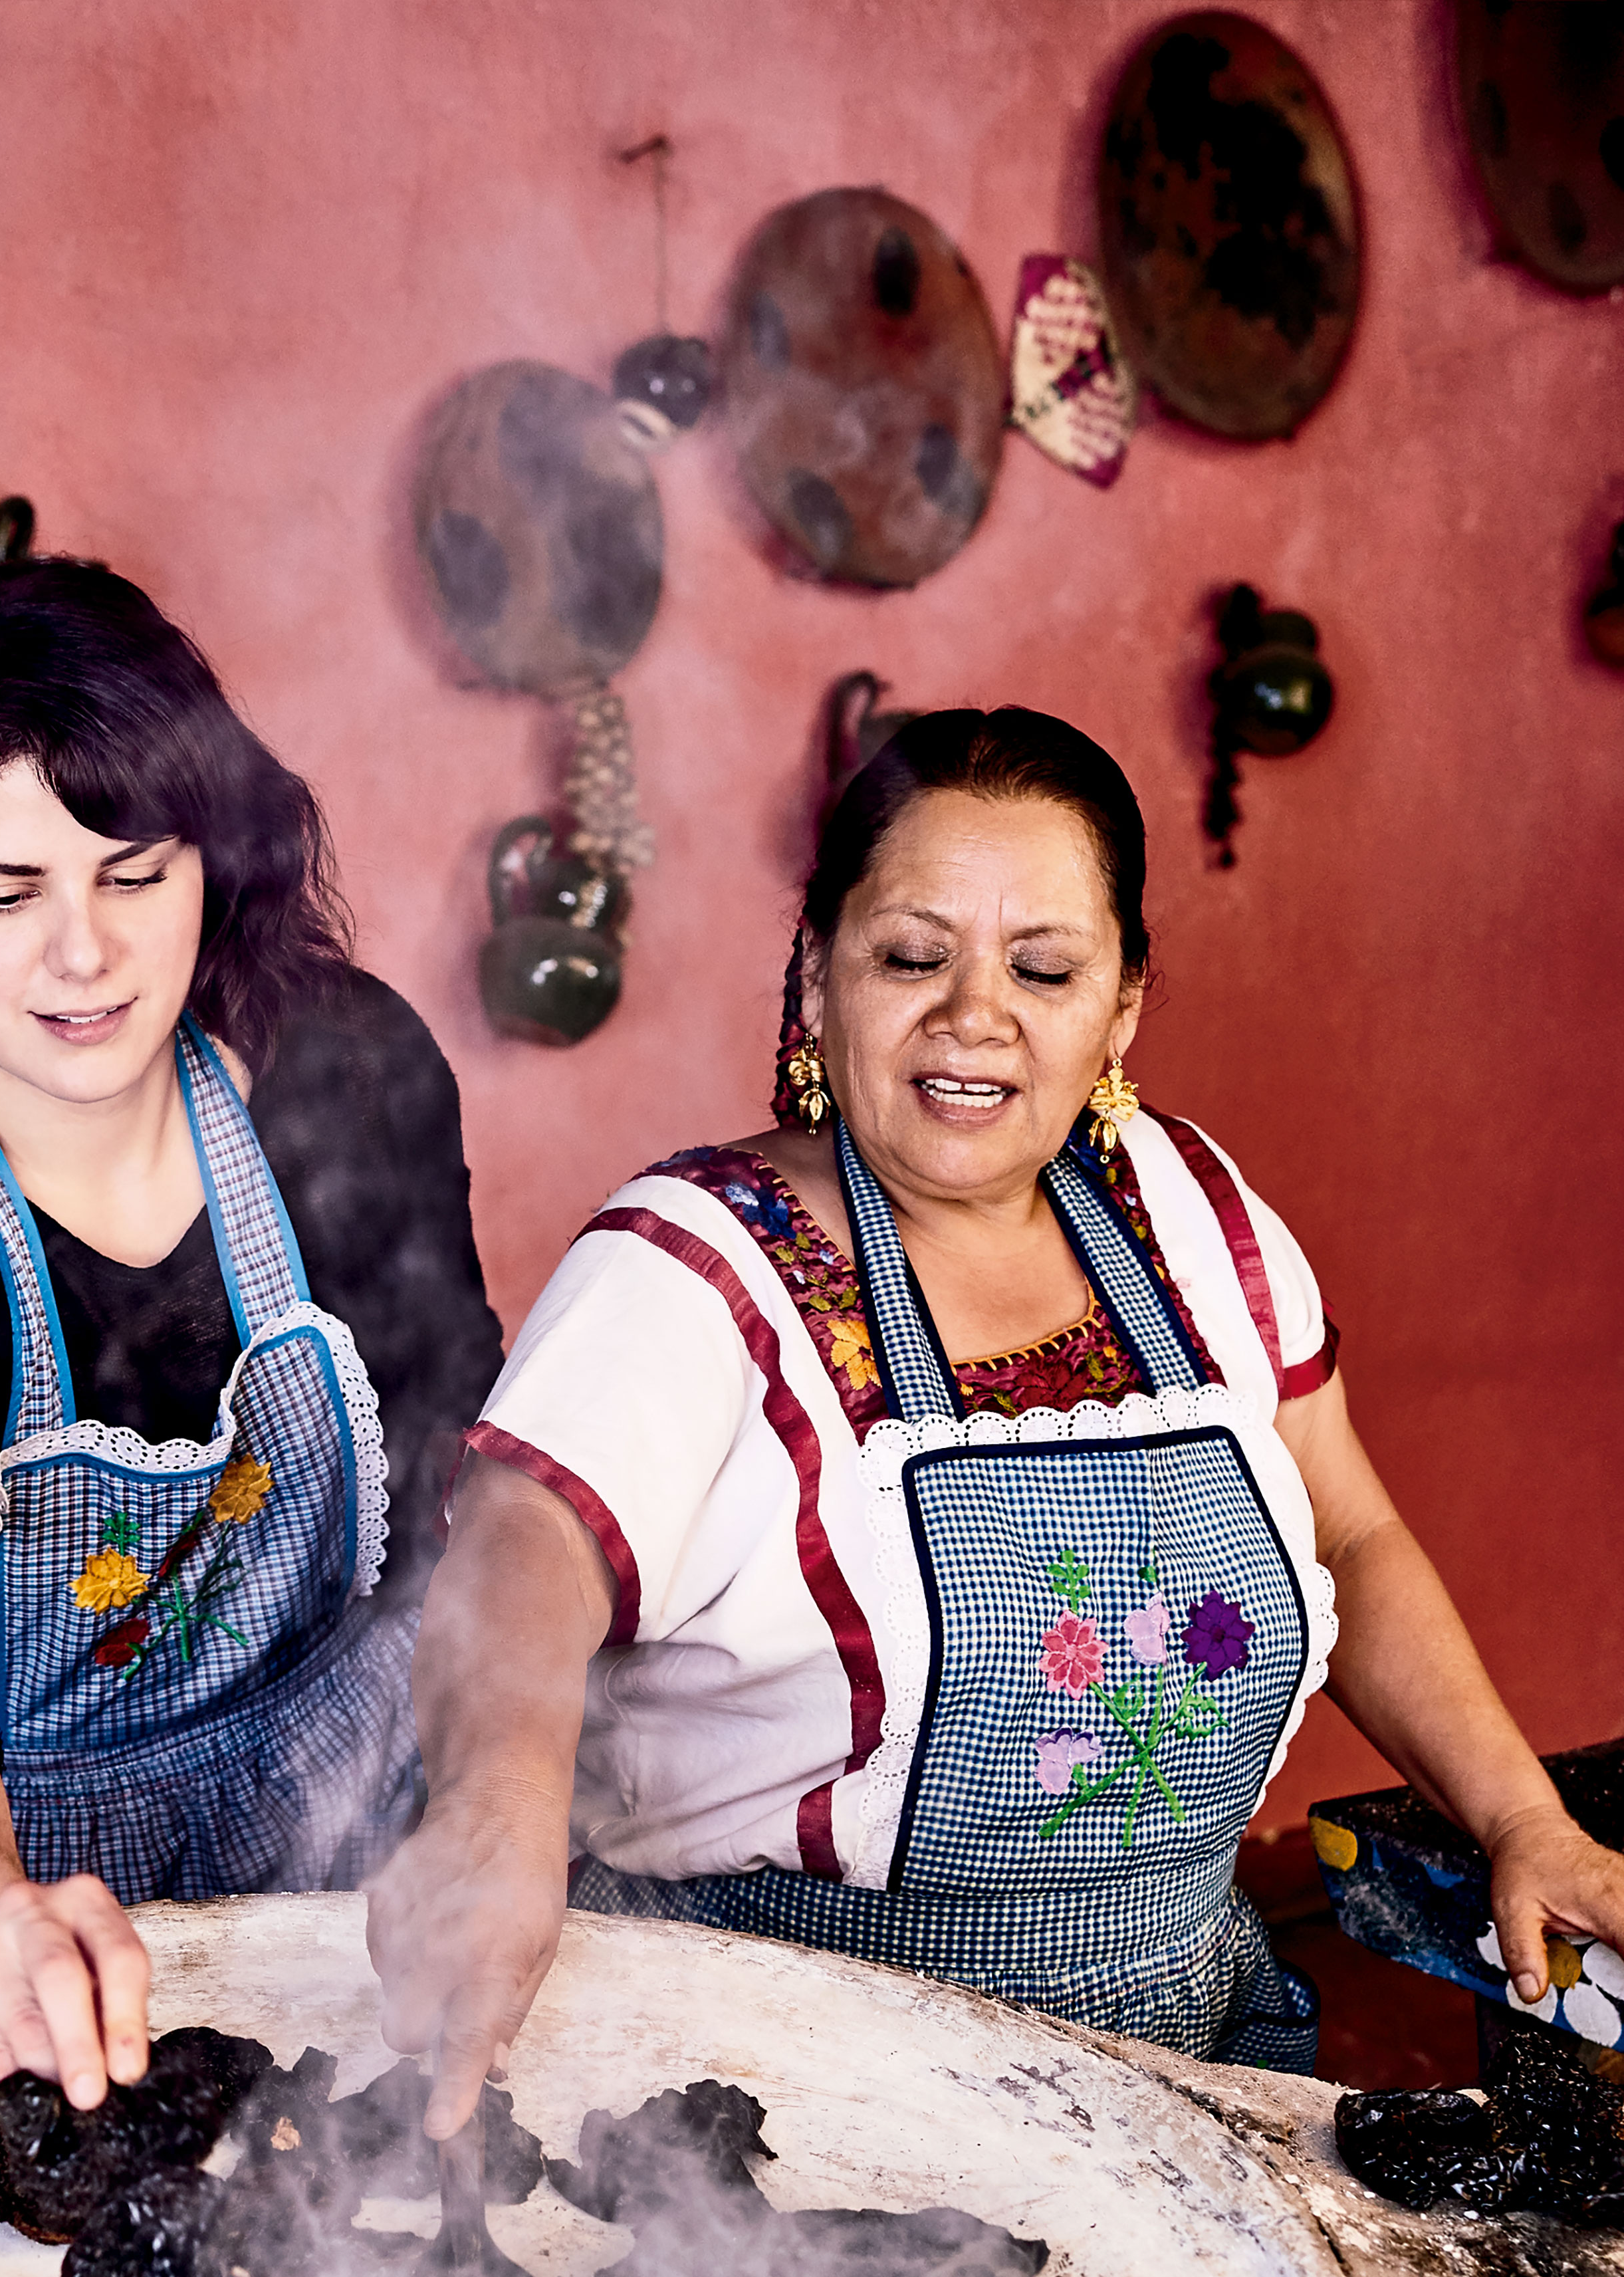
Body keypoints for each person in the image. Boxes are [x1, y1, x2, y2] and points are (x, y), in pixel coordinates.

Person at [372, 706, 1624, 2135]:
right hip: (784, 2072)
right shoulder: (696, 1257)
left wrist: (1522, 1820)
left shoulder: (1186, 1207)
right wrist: (495, 1804)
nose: (975, 1016)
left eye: (1042, 969)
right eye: (913, 957)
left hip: (1180, 2055)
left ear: (1122, 1005)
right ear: (817, 974)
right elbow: (523, 1548)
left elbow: (1348, 1533)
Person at [0, 559, 503, 2101]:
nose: (82, 955)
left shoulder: (346, 1072)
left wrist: (502, 1786)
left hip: (352, 1807)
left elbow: (465, 1466)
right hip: (13, 1867)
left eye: (134, 874)